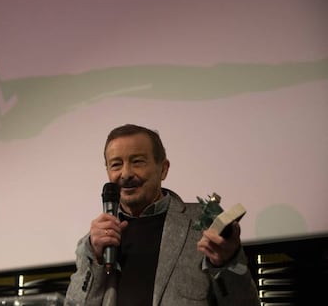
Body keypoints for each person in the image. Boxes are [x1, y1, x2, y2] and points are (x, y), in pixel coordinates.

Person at [64, 124, 260, 306]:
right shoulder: (93, 243)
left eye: (137, 162)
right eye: (116, 164)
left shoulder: (203, 225)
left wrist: (226, 263)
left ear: (163, 169)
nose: (126, 173)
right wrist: (95, 259)